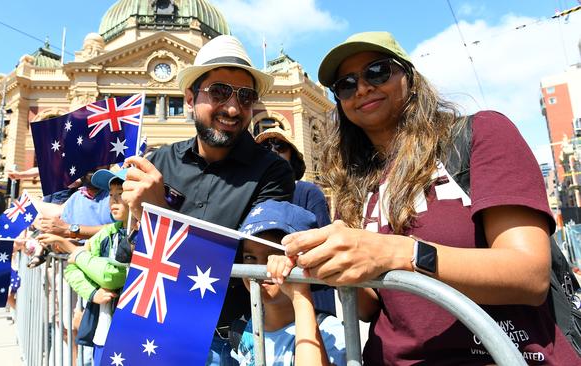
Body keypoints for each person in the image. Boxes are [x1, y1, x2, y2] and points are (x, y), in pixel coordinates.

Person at [278, 31, 581, 364]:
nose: (362, 88)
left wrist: (399, 252)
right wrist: (318, 264)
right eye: (346, 84)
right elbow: (368, 307)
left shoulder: (480, 134)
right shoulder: (353, 184)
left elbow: (528, 275)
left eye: (377, 72)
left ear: (408, 76)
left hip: (502, 353)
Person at [121, 35, 295, 365]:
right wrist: (133, 221)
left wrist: (159, 215)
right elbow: (128, 251)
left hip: (229, 344)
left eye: (245, 97)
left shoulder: (272, 171)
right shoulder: (159, 162)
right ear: (189, 98)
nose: (232, 108)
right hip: (152, 328)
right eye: (218, 92)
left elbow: (254, 262)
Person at [37, 168, 133, 366]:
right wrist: (92, 293)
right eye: (112, 195)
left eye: (120, 195)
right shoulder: (108, 232)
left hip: (128, 326)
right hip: (102, 322)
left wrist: (71, 248)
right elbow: (71, 270)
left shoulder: (140, 235)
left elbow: (112, 277)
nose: (113, 200)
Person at [233, 200, 345, 366]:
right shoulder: (246, 328)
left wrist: (299, 296)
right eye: (250, 258)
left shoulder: (329, 331)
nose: (261, 269)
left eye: (275, 256)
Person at [255, 127, 335, 315]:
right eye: (265, 147)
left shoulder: (308, 192)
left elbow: (326, 245)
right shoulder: (252, 197)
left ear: (292, 155)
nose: (273, 150)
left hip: (312, 297)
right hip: (268, 308)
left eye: (280, 145)